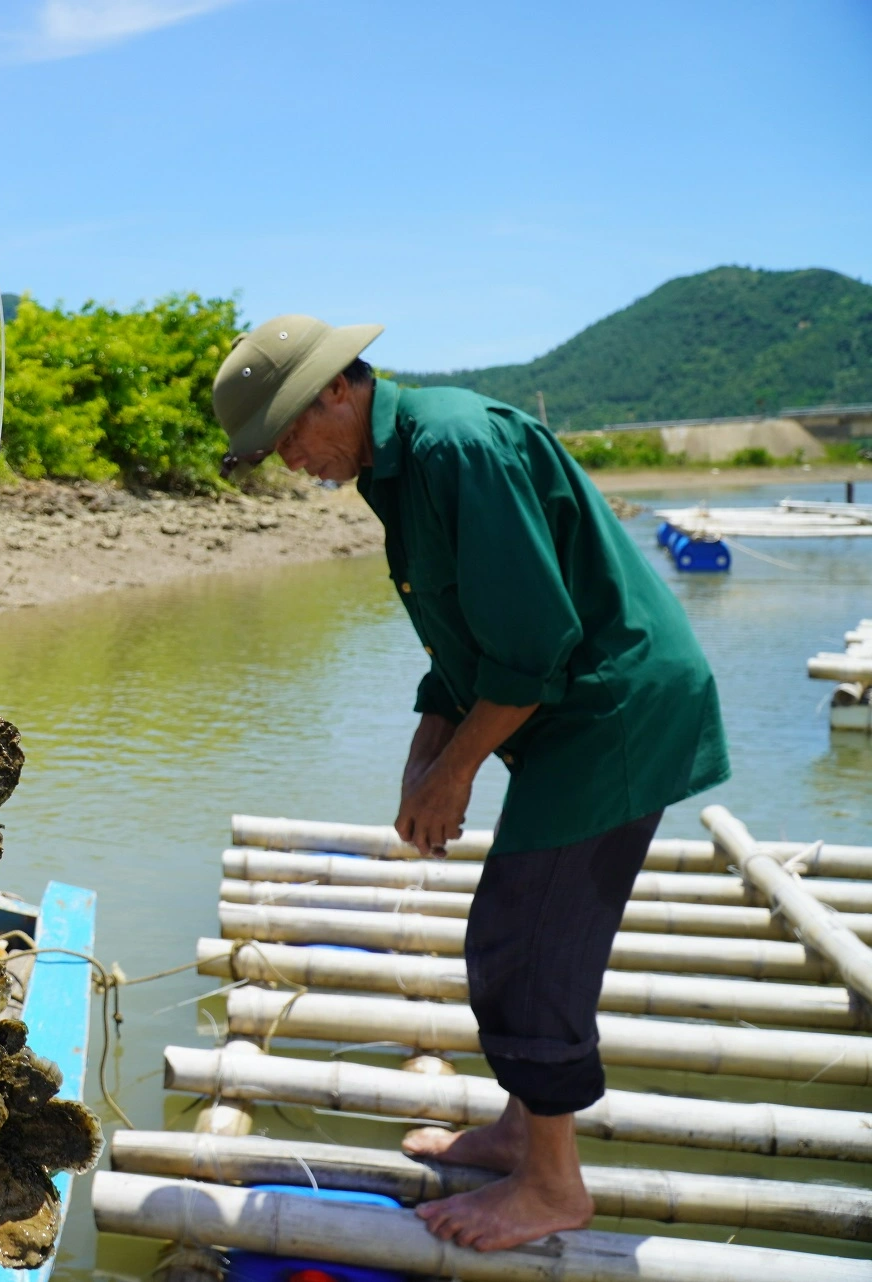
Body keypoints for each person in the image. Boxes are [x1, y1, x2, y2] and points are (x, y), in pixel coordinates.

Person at [210, 316, 729, 1252]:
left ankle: (554, 1185)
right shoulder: (394, 470)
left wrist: (456, 774)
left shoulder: (456, 443)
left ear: (338, 388)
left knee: (522, 943)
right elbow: (464, 641)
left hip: (614, 710)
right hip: (572, 709)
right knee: (524, 931)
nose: (289, 459)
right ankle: (523, 1130)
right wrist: (424, 762)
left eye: (289, 431)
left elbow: (533, 647)